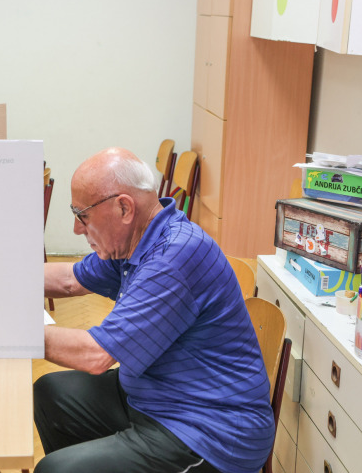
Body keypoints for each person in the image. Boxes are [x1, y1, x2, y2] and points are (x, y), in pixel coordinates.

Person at [36, 148, 274, 473]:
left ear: (124, 208)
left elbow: (95, 355)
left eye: (82, 215)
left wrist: (7, 334)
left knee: (57, 469)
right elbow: (68, 280)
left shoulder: (173, 258)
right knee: (51, 393)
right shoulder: (137, 241)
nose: (78, 229)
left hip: (211, 430)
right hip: (157, 394)